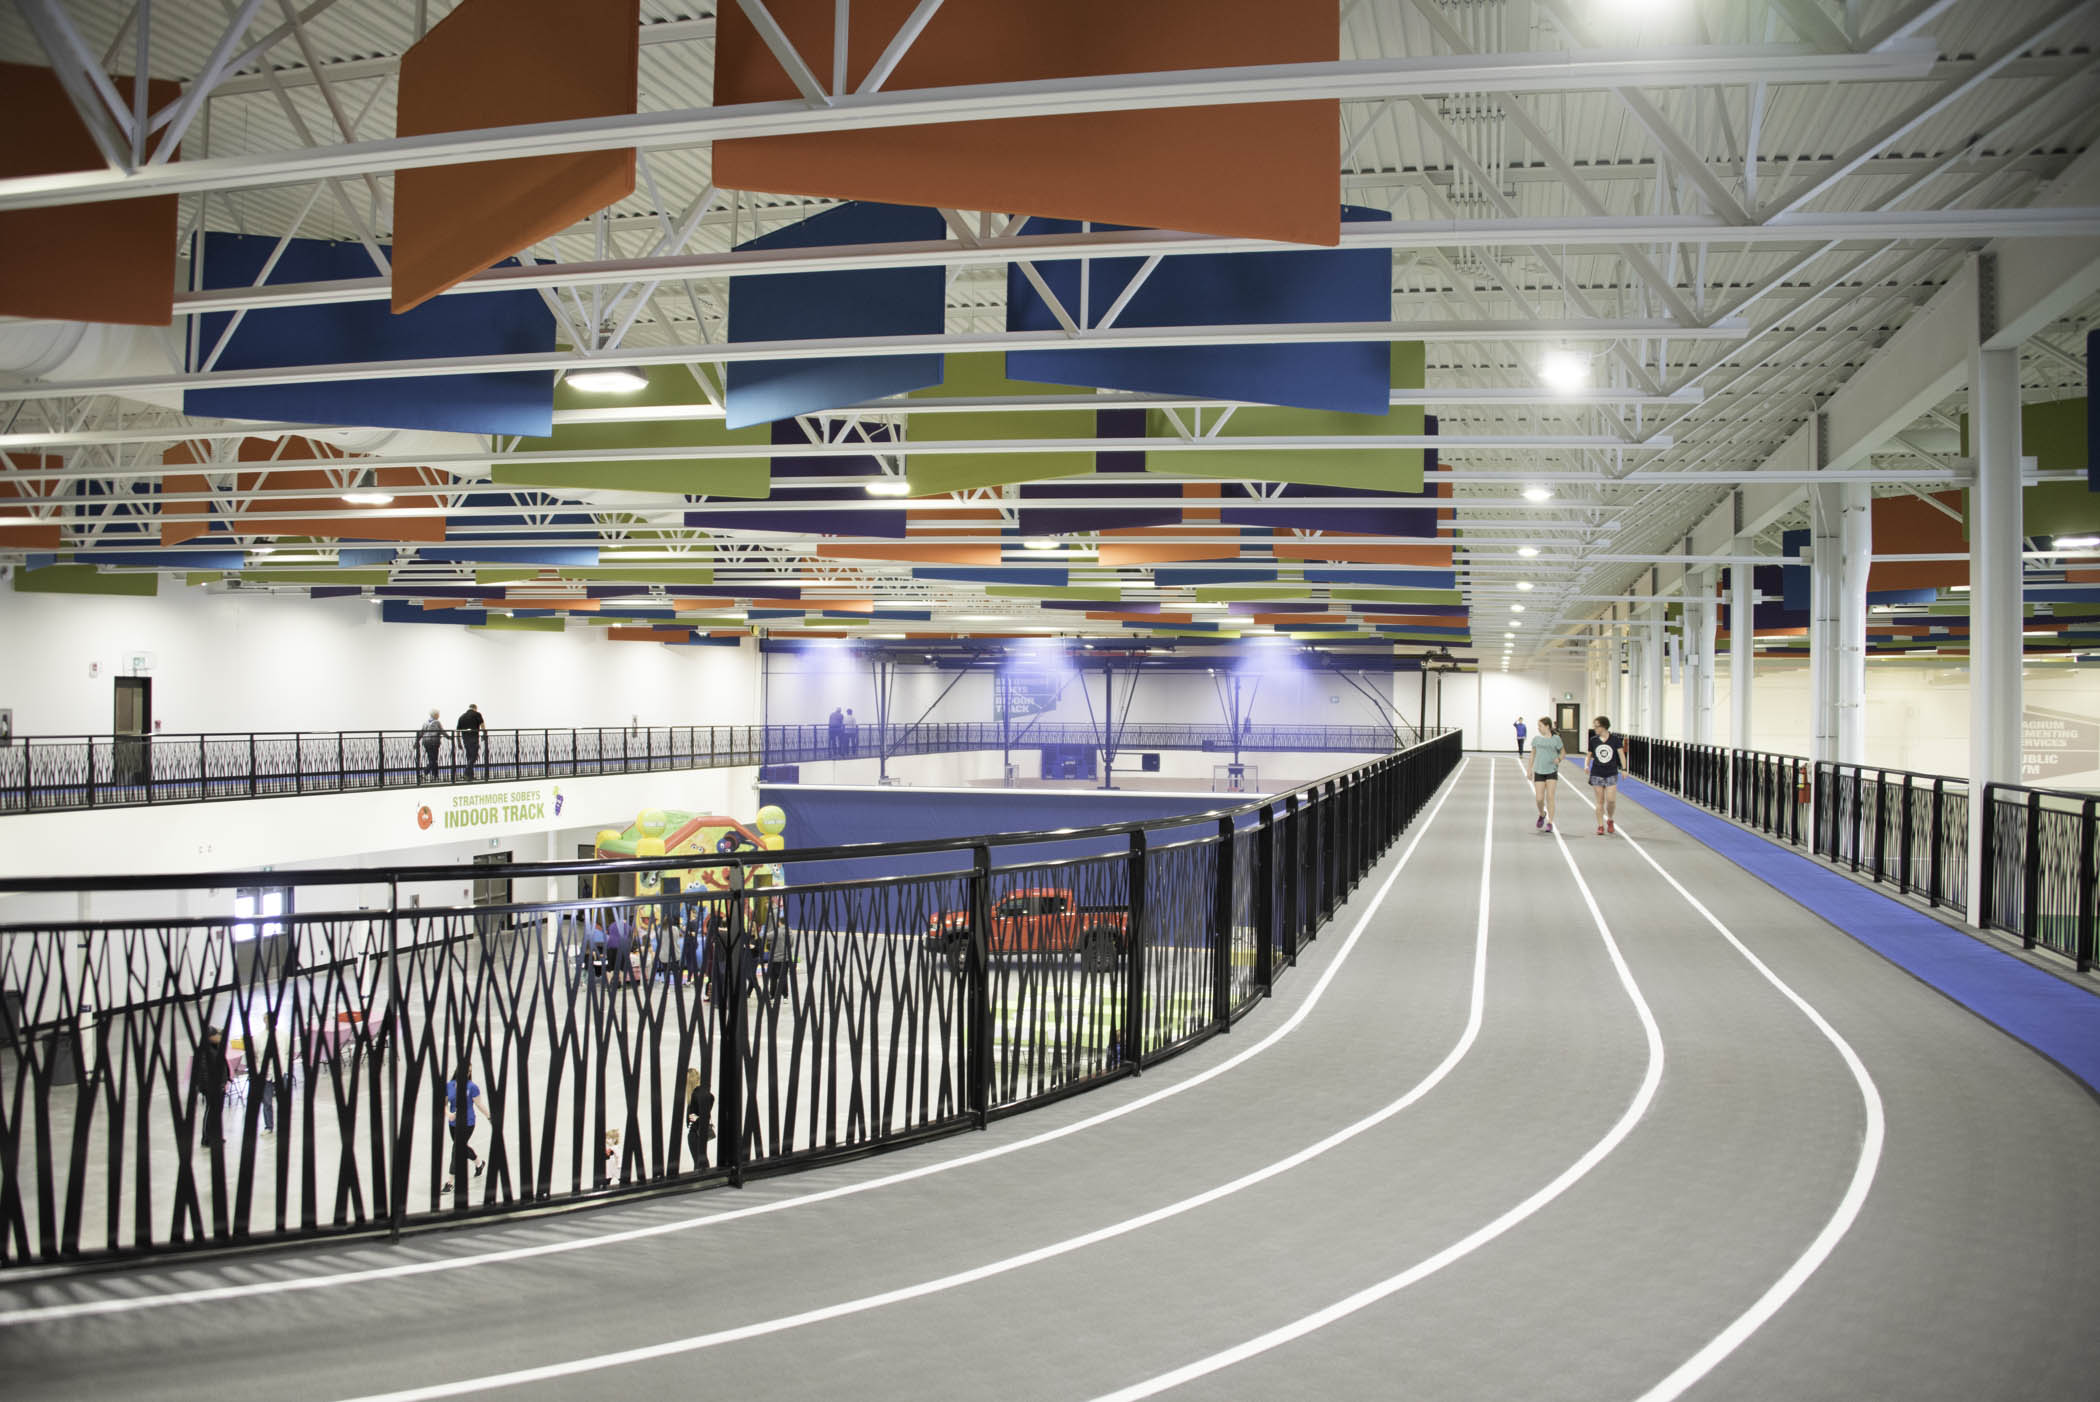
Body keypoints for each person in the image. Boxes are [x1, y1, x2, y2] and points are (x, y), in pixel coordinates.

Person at [443, 1060, 485, 1190]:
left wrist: (489, 1115)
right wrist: (448, 1114)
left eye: (469, 1071)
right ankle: (479, 1163)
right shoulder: (449, 1085)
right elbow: (443, 1103)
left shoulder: (472, 1087)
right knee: (460, 1147)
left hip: (468, 1122)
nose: (467, 1073)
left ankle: (450, 1182)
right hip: (453, 1123)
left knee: (456, 1149)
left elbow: (479, 1104)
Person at [192, 1026, 230, 1145]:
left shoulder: (216, 1047)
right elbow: (203, 1072)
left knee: (217, 1113)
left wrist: (225, 1080)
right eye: (217, 1035)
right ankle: (207, 1138)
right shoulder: (204, 1051)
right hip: (212, 1087)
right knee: (211, 1111)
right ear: (210, 1038)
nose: (219, 1037)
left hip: (219, 1085)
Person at [1586, 715, 1624, 837]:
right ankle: (1600, 825)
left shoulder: (1615, 739)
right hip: (1597, 772)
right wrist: (1586, 765)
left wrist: (1624, 769)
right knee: (1600, 801)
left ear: (1603, 726)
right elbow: (1589, 754)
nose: (1595, 729)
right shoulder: (1593, 740)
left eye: (1597, 726)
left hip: (1611, 772)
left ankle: (1610, 819)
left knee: (1611, 800)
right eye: (1594, 726)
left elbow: (1621, 755)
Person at [1530, 716, 1563, 833]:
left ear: (1547, 726)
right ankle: (1542, 814)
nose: (1538, 728)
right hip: (1539, 770)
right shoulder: (1536, 739)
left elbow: (1563, 752)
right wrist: (1529, 769)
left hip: (1552, 771)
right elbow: (1532, 754)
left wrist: (1559, 759)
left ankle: (1550, 822)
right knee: (1539, 799)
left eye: (1540, 726)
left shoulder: (1556, 739)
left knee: (1550, 797)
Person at [684, 1066, 714, 1171]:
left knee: (699, 1163)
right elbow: (711, 1098)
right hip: (699, 1133)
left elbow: (692, 1118)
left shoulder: (695, 1095)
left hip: (695, 1133)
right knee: (702, 1161)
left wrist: (695, 1118)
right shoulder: (701, 1094)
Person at [455, 702, 485, 781]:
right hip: (474, 738)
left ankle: (470, 776)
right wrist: (484, 735)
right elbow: (482, 726)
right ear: (475, 708)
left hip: (465, 739)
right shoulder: (477, 714)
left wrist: (458, 742)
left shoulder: (462, 717)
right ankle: (466, 773)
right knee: (474, 756)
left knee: (469, 757)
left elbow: (457, 731)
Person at [417, 708, 444, 782]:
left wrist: (416, 741)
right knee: (434, 760)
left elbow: (421, 732)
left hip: (426, 742)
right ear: (435, 715)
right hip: (434, 742)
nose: (439, 715)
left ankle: (435, 776)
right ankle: (425, 773)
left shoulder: (425, 722)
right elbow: (442, 731)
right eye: (438, 714)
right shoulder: (437, 722)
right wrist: (449, 737)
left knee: (432, 759)